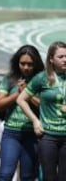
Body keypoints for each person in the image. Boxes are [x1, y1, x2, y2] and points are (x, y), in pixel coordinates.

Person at [17, 41, 66, 181]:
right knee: (49, 177)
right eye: (61, 56)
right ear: (51, 59)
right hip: (48, 137)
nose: (65, 59)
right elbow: (21, 100)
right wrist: (35, 121)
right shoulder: (42, 78)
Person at [0, 45, 44, 181]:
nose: (26, 67)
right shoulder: (10, 79)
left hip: (33, 135)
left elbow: (45, 107)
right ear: (17, 63)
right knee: (5, 174)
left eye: (30, 64)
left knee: (27, 176)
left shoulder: (42, 80)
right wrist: (17, 94)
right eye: (23, 64)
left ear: (36, 64)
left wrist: (27, 93)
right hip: (11, 133)